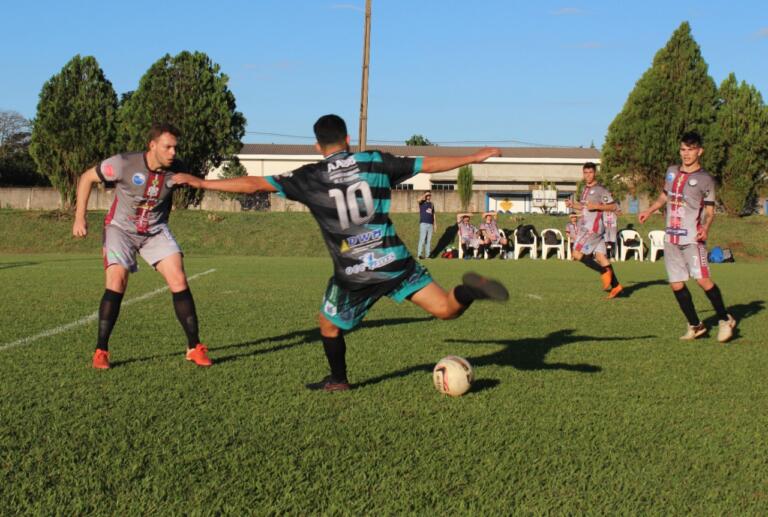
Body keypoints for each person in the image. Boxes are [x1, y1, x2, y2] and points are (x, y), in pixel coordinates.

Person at [172, 114, 509, 390]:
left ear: (318, 146)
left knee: (328, 325)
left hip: (355, 273)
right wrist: (473, 157)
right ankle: (467, 291)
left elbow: (254, 184)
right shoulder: (374, 161)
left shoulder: (311, 176)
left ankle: (338, 379)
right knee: (446, 309)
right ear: (347, 139)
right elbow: (427, 164)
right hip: (394, 261)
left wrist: (202, 183)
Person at [72, 123, 213, 369]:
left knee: (179, 278)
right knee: (117, 281)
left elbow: (198, 185)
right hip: (120, 230)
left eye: (175, 148)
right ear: (152, 145)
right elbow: (86, 178)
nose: (173, 153)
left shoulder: (178, 169)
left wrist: (194, 181)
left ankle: (194, 347)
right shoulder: (123, 163)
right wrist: (79, 217)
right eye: (167, 147)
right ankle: (101, 350)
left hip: (155, 231)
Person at [638, 131, 736, 342]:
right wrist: (650, 209)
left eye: (691, 149)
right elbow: (665, 195)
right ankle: (696, 326)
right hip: (671, 238)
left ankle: (724, 319)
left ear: (700, 151)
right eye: (683, 149)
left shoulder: (705, 179)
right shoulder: (671, 171)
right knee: (676, 283)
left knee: (702, 280)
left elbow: (709, 210)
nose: (686, 153)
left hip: (692, 238)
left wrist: (706, 227)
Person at [565, 162, 623, 299]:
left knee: (576, 254)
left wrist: (597, 206)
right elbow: (584, 207)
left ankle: (603, 272)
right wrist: (573, 205)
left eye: (590, 172)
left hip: (592, 229)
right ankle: (616, 286)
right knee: (601, 257)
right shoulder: (585, 189)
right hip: (588, 227)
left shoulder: (600, 190)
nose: (588, 175)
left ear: (595, 173)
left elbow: (613, 206)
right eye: (585, 173)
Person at [416, 192, 437, 259]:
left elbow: (433, 214)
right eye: (427, 195)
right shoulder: (422, 202)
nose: (428, 196)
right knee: (422, 239)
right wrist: (424, 195)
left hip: (430, 224)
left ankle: (428, 255)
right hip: (423, 223)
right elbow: (418, 200)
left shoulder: (432, 204)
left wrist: (435, 224)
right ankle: (419, 255)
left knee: (428, 240)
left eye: (429, 195)